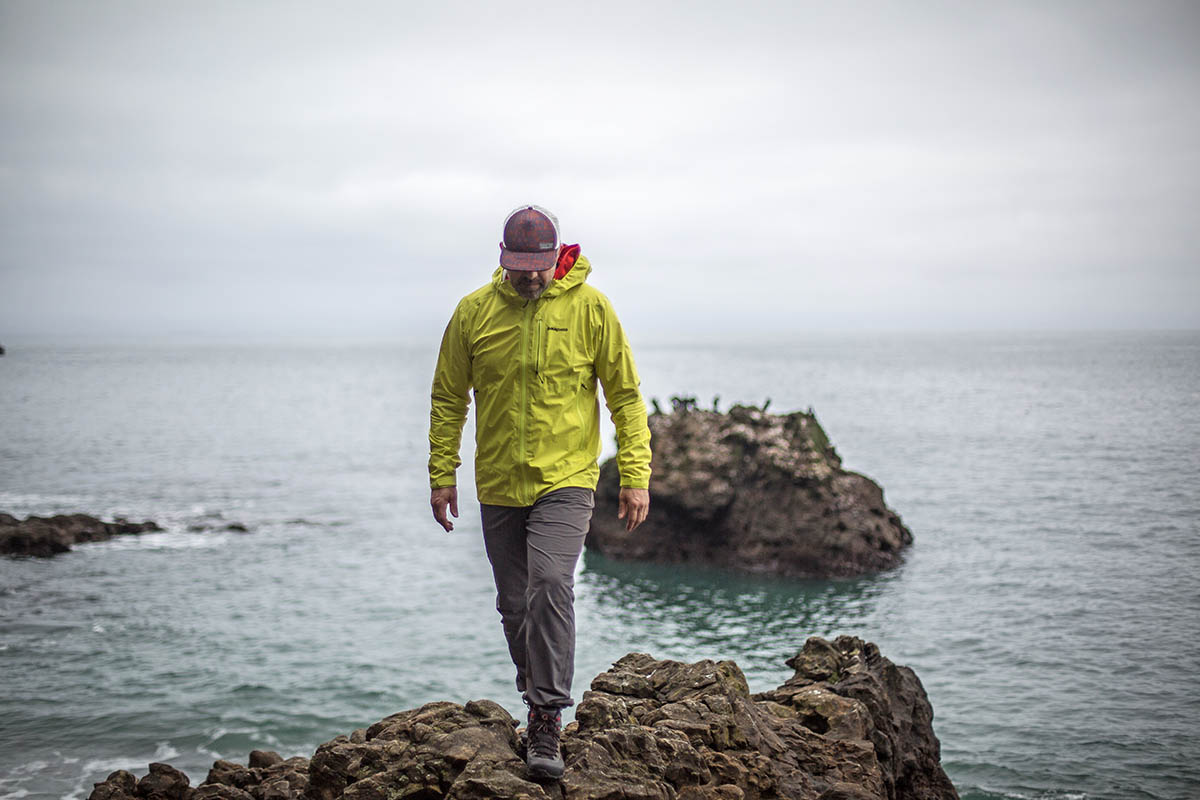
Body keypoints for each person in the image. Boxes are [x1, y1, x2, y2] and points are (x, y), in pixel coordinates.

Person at [428, 205, 652, 781]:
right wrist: (442, 473)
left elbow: (624, 395)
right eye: (519, 267)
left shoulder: (591, 308)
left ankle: (548, 716)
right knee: (513, 604)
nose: (531, 278)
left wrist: (634, 473)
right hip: (500, 481)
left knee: (550, 584)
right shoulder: (473, 314)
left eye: (539, 268)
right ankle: (536, 696)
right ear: (503, 260)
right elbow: (450, 398)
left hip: (566, 478)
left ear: (558, 259)